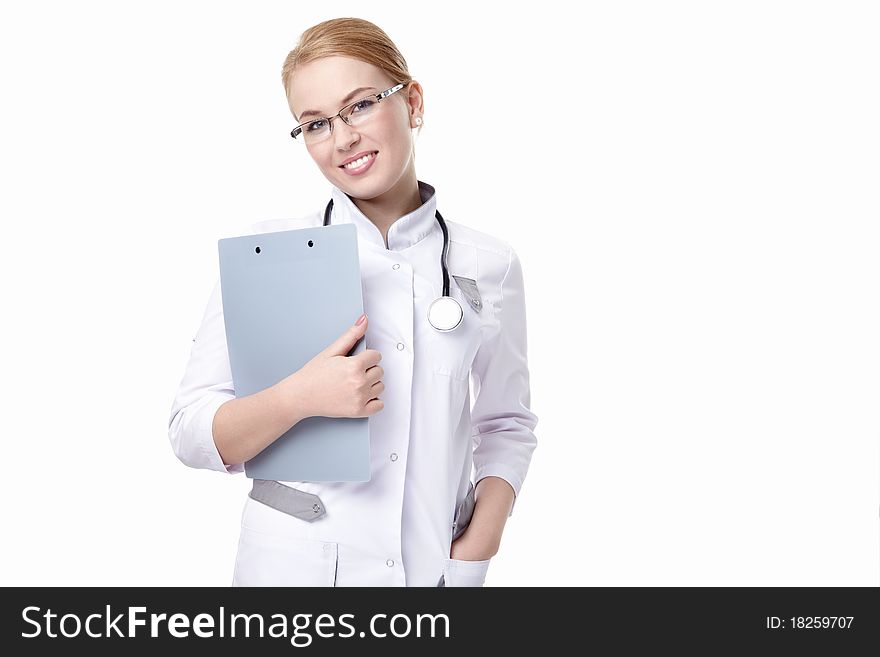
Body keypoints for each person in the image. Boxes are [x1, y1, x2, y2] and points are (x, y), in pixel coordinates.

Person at [168, 17, 538, 587]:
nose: (342, 139)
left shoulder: (489, 264)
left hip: (428, 572)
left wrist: (482, 539)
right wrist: (299, 398)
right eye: (315, 124)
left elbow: (507, 422)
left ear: (412, 102)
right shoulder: (269, 254)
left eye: (360, 105)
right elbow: (191, 431)